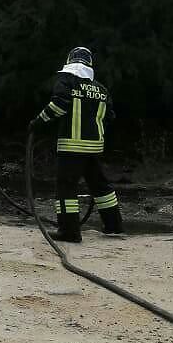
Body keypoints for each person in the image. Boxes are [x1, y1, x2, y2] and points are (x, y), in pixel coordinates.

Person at [30, 46, 123, 243]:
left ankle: (69, 231)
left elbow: (58, 106)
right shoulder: (100, 88)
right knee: (100, 186)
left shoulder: (66, 80)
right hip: (94, 147)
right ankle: (114, 225)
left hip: (71, 146)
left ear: (70, 60)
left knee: (66, 188)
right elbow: (110, 116)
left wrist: (38, 122)